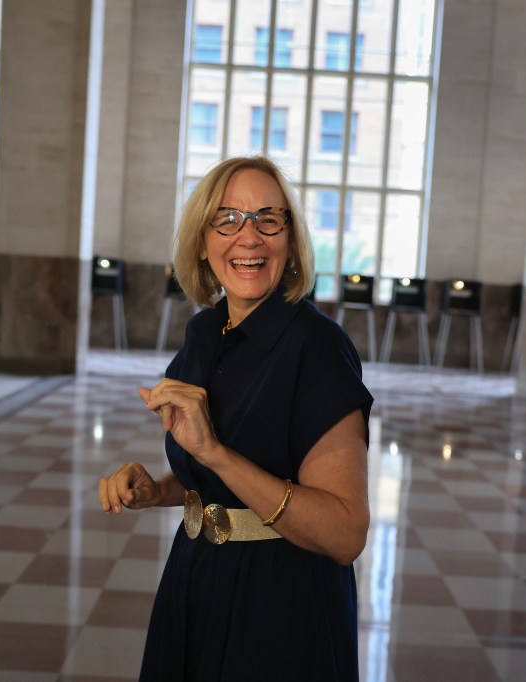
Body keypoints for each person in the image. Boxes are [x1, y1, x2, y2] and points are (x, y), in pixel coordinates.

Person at [98, 155, 373, 681]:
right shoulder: (205, 333)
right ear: (202, 242)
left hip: (279, 603)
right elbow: (216, 477)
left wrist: (215, 453)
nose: (249, 237)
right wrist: (157, 489)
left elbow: (345, 534)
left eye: (268, 219)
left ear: (290, 241)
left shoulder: (317, 347)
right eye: (227, 219)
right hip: (194, 577)